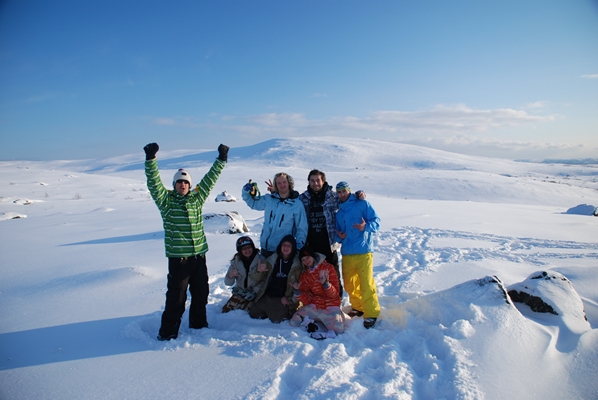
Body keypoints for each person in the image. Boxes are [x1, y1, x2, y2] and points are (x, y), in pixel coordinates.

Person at [144, 142, 229, 341]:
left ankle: (199, 325)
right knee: (177, 297)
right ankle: (168, 332)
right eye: (179, 182)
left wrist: (221, 160)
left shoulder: (196, 199)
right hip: (179, 259)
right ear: (174, 185)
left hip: (199, 256)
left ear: (190, 185)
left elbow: (209, 180)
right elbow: (154, 184)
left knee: (201, 293)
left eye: (186, 182)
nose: (183, 185)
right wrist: (150, 159)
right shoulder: (167, 202)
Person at [298, 169, 365, 298]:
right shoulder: (303, 198)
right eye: (312, 180)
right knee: (311, 272)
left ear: (323, 181)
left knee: (332, 271)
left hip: (329, 242)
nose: (315, 183)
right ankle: (315, 298)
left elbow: (346, 198)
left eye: (318, 180)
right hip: (310, 242)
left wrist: (358, 195)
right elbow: (291, 202)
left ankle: (336, 298)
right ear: (309, 182)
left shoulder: (332, 196)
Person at [334, 181, 381, 329]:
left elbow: (376, 222)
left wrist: (365, 227)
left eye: (344, 191)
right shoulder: (339, 212)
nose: (342, 194)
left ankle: (371, 312)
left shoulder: (362, 204)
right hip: (347, 253)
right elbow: (338, 233)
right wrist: (339, 236)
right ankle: (358, 307)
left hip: (363, 251)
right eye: (339, 192)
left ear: (349, 191)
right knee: (349, 283)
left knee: (366, 283)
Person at [242, 172, 308, 258]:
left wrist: (298, 248)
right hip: (265, 249)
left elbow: (301, 228)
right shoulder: (269, 199)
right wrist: (246, 191)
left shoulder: (296, 204)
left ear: (289, 183)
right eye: (279, 183)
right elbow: (253, 203)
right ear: (276, 185)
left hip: (283, 250)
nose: (282, 185)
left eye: (284, 182)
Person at [290, 246, 345, 340]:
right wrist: (298, 292)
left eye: (307, 257)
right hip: (315, 306)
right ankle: (310, 322)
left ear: (313, 256)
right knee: (294, 322)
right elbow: (308, 299)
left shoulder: (328, 268)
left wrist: (326, 284)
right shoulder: (305, 275)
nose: (306, 261)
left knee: (338, 331)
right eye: (303, 260)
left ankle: (337, 315)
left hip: (330, 305)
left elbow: (335, 294)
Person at [248, 235, 303, 323]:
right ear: (280, 246)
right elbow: (255, 277)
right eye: (284, 245)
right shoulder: (272, 259)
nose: (286, 247)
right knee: (253, 313)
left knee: (277, 319)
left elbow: (301, 287)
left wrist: (291, 301)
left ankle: (283, 310)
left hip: (282, 297)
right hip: (268, 295)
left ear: (293, 248)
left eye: (289, 246)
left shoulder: (297, 265)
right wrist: (258, 271)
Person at [222, 236, 264, 313]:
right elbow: (228, 283)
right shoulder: (235, 262)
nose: (247, 250)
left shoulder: (261, 260)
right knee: (226, 310)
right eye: (244, 249)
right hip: (241, 293)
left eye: (249, 247)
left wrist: (254, 291)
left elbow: (265, 281)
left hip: (257, 293)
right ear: (239, 250)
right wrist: (230, 276)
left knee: (253, 311)